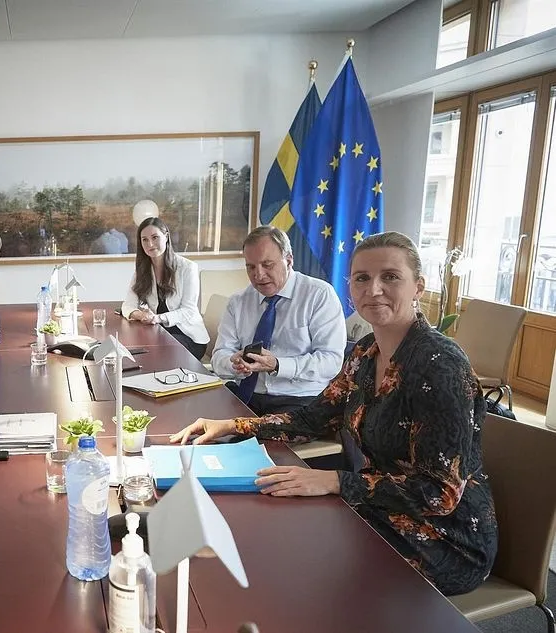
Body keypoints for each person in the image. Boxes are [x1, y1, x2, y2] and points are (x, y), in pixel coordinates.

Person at [171, 231, 497, 596]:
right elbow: (312, 419)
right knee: (275, 531)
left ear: (418, 287)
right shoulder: (365, 352)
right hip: (377, 508)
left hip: (444, 539)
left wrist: (337, 481)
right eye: (362, 278)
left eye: (390, 276)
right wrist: (232, 424)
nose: (373, 289)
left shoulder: (440, 364)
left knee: (298, 561)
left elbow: (439, 493)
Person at [212, 226, 346, 415]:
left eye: (267, 264)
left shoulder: (319, 295)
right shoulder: (238, 302)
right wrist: (232, 363)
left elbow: (331, 361)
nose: (258, 275)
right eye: (251, 267)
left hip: (300, 399)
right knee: (199, 426)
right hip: (247, 394)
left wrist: (277, 365)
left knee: (254, 438)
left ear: (289, 261)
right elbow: (219, 356)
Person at [121, 217, 209, 360]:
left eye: (155, 237)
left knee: (154, 354)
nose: (150, 244)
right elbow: (127, 305)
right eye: (144, 240)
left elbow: (189, 310)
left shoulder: (187, 268)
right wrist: (141, 315)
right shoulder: (142, 271)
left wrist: (158, 318)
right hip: (160, 335)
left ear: (166, 237)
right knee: (134, 348)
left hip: (189, 337)